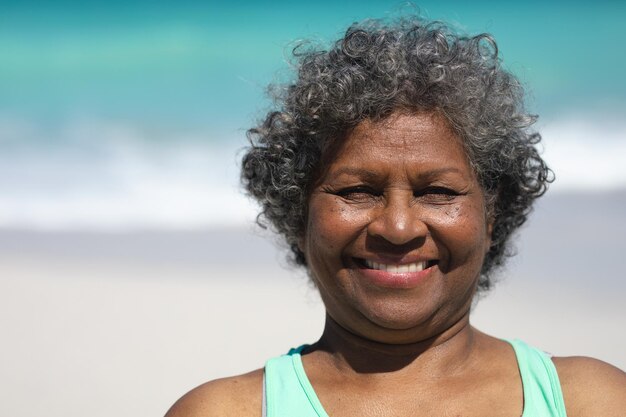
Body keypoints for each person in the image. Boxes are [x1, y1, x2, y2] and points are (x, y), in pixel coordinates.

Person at [166, 16, 625, 417]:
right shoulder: (226, 411)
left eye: (438, 192)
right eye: (357, 191)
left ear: (492, 214)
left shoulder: (591, 401)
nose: (399, 228)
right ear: (297, 213)